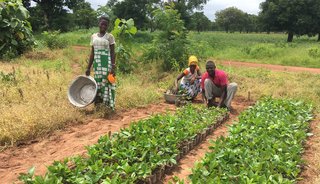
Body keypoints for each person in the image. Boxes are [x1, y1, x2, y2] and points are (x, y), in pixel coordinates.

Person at [85, 15, 116, 110]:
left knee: (107, 82)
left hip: (107, 64)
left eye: (106, 25)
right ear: (99, 23)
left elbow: (112, 52)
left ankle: (107, 105)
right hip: (97, 65)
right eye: (102, 24)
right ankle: (98, 105)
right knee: (97, 83)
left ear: (108, 26)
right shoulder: (93, 36)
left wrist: (113, 66)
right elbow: (92, 53)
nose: (104, 26)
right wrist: (88, 67)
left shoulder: (110, 37)